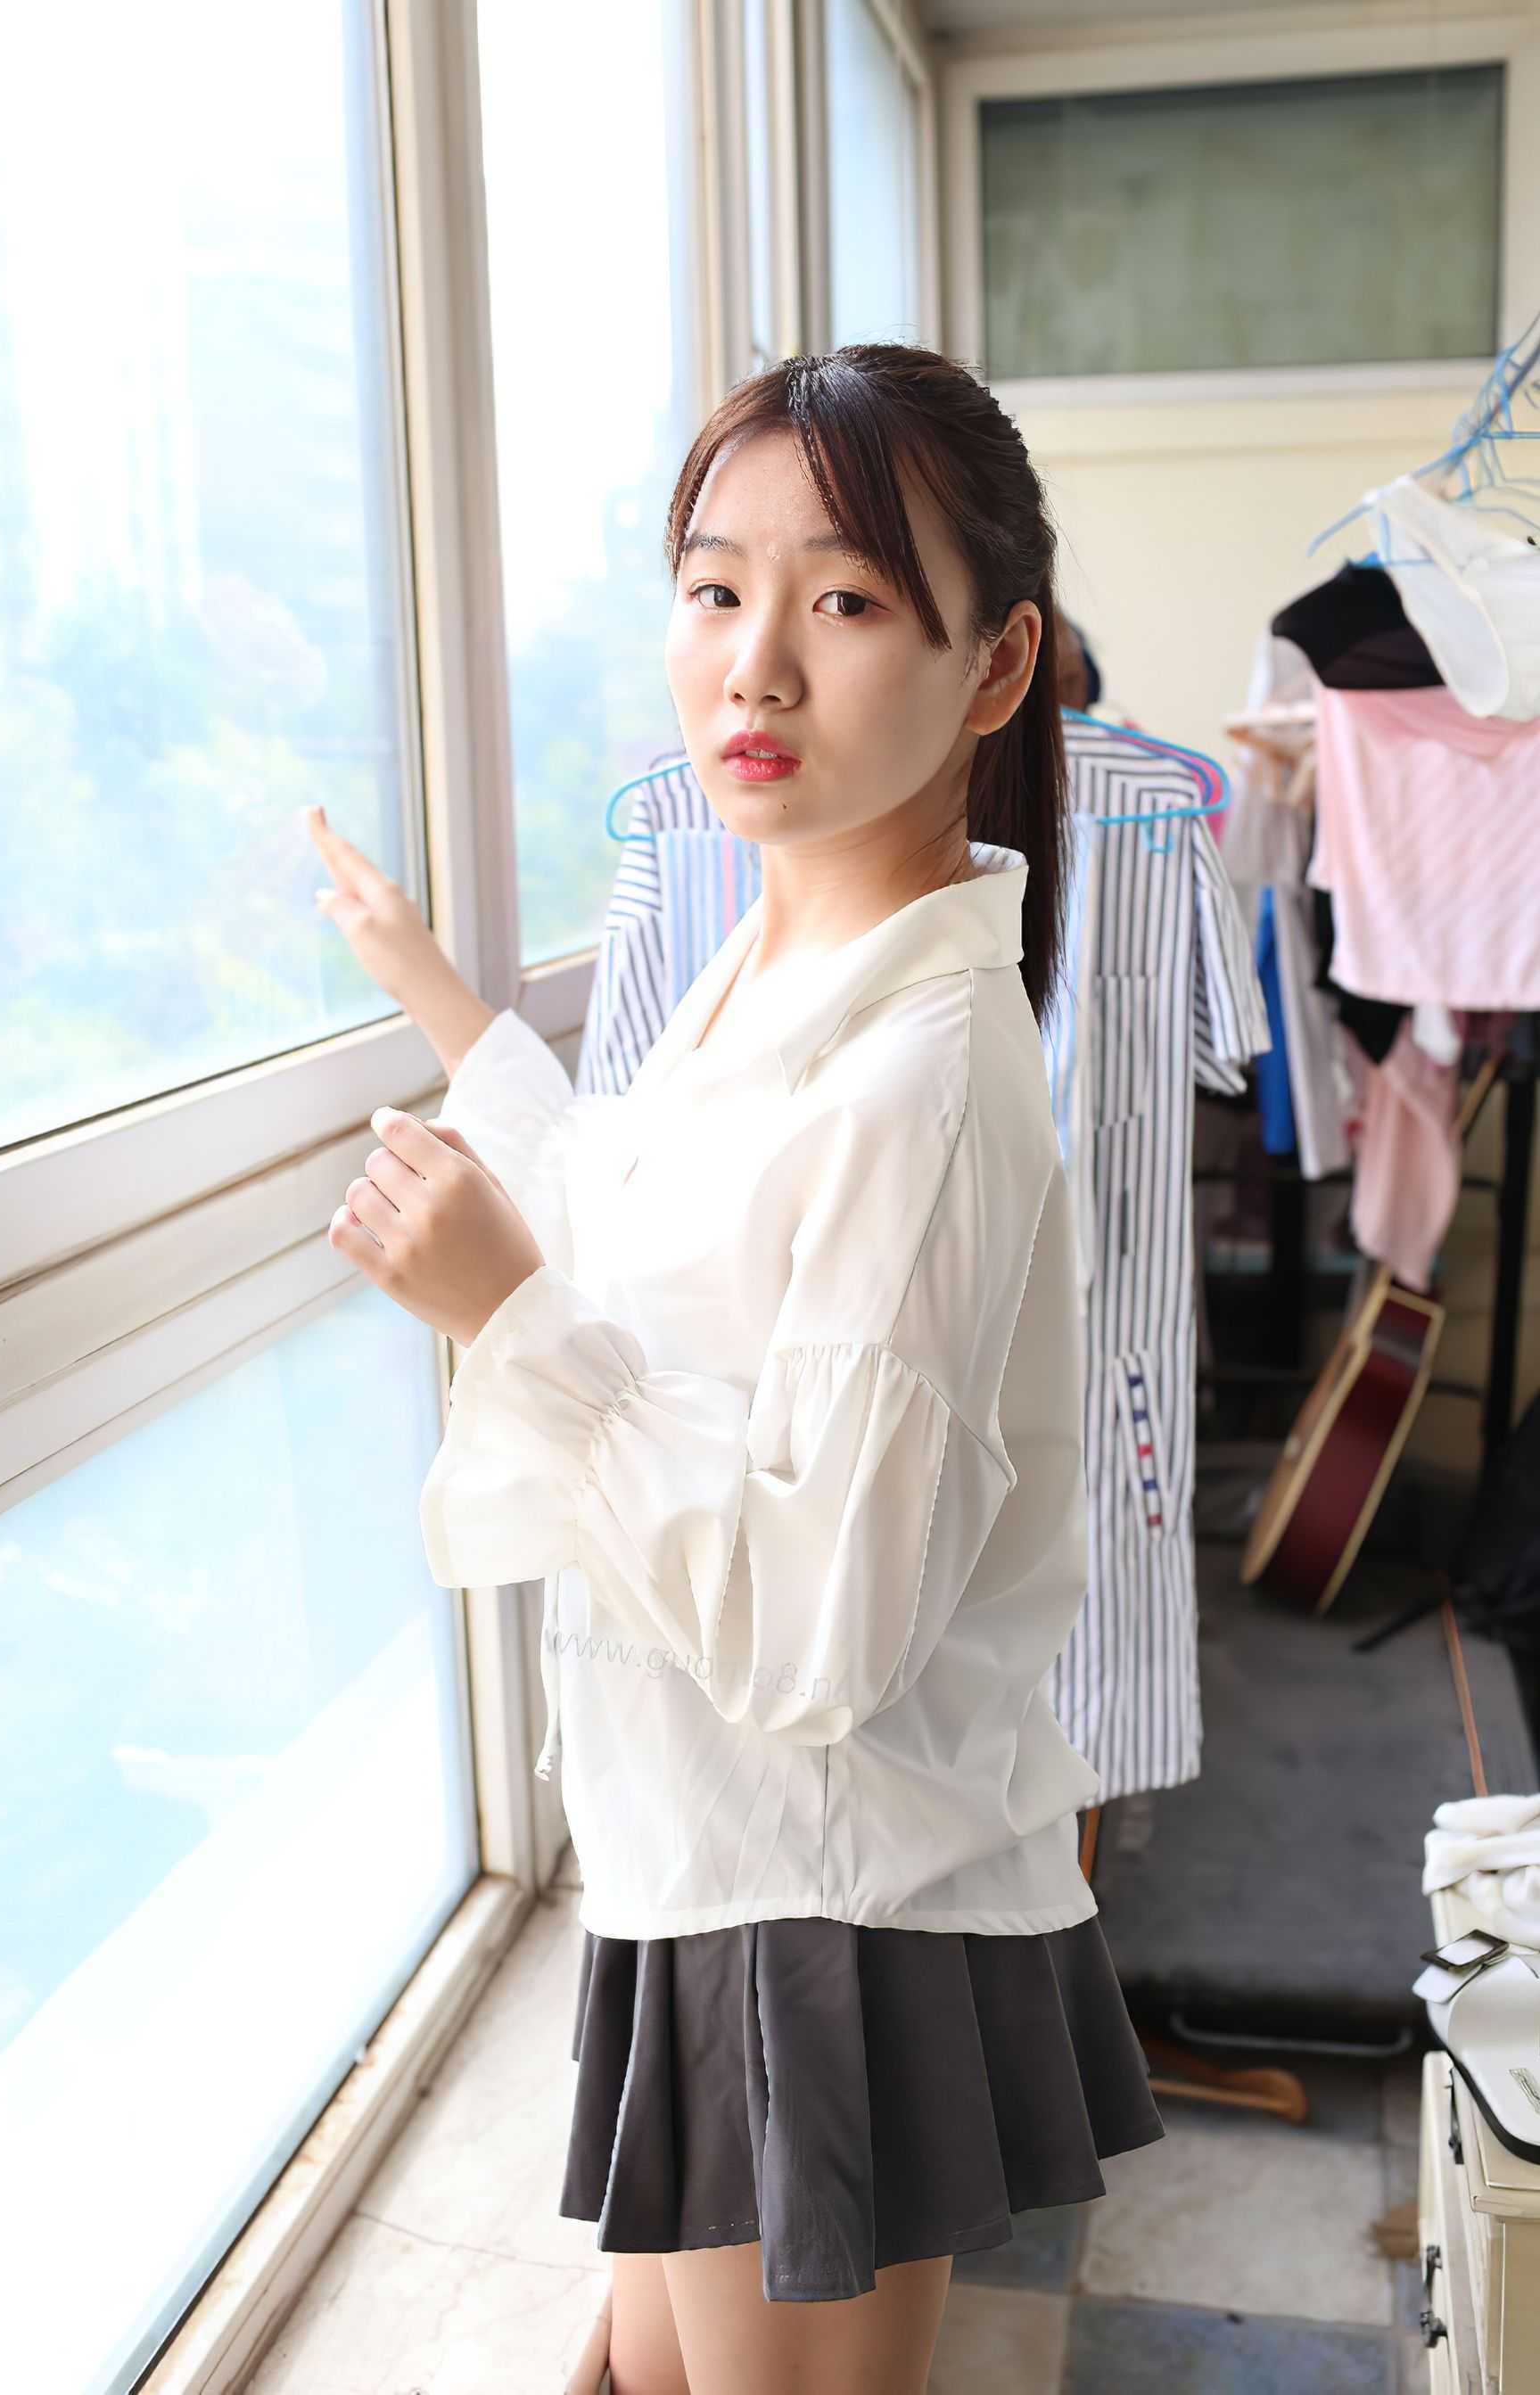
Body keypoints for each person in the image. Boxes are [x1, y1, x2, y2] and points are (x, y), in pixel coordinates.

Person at [303, 342, 1164, 2395]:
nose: (754, 664)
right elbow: (646, 1214)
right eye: (713, 587)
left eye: (845, 598)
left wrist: (509, 1317)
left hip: (820, 1907)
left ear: (995, 663)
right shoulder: (783, 956)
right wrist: (446, 1002)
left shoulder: (918, 1075)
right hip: (721, 1857)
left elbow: (818, 1626)